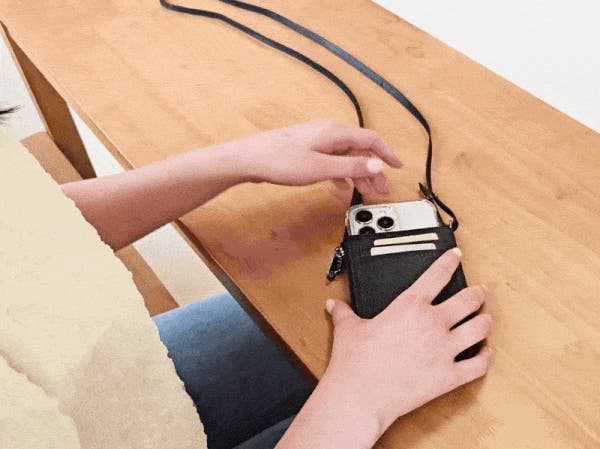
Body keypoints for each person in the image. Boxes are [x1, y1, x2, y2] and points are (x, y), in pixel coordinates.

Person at [4, 108, 493, 448]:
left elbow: (27, 222)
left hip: (115, 383)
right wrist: (361, 398)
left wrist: (238, 160)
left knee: (311, 320)